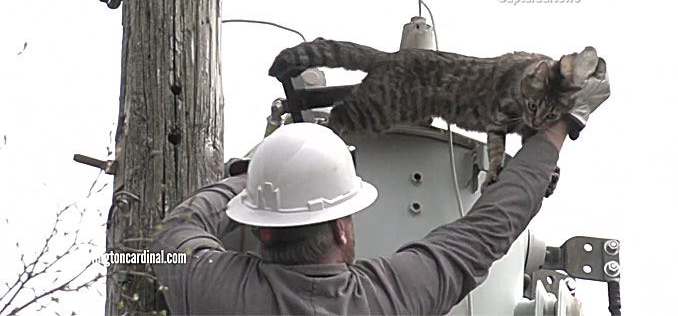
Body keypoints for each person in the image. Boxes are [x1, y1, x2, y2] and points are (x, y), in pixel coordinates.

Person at [151, 64, 610, 315]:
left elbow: (169, 239)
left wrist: (248, 181)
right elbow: (490, 228)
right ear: (343, 232)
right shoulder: (385, 300)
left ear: (262, 229)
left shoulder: (210, 283)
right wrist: (558, 128)